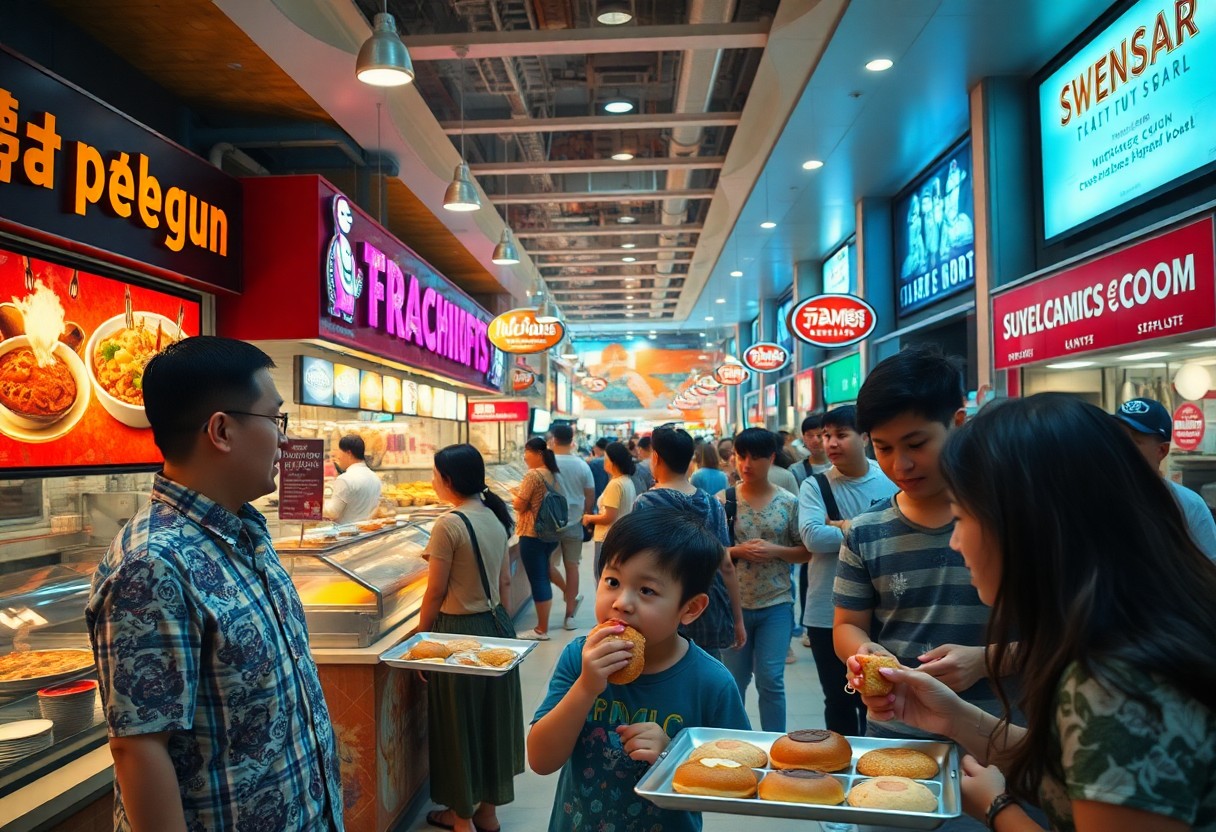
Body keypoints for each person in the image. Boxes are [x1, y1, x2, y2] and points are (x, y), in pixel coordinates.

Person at [859, 394, 1216, 831]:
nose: (955, 541)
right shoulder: (1124, 631)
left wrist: (997, 809)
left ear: (1028, 525)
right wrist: (952, 717)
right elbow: (1071, 767)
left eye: (963, 518)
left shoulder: (1118, 685)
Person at [86, 337, 343, 830]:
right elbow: (139, 749)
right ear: (221, 430)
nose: (285, 441)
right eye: (276, 420)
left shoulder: (245, 530)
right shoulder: (153, 564)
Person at [527, 510, 751, 832]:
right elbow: (541, 760)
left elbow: (736, 782)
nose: (622, 602)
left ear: (690, 608)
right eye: (613, 581)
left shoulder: (711, 682)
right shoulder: (580, 658)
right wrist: (586, 688)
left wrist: (672, 759)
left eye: (647, 590)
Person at [834, 348, 999, 742]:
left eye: (916, 443)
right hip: (896, 734)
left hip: (1003, 733)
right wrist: (864, 654)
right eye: (883, 448)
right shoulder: (865, 530)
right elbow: (847, 626)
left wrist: (985, 661)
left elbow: (1065, 636)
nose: (900, 465)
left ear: (958, 423)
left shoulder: (1006, 520)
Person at [417, 444, 524, 832]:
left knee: (458, 724)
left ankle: (460, 818)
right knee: (492, 720)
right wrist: (503, 631)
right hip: (497, 627)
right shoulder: (496, 516)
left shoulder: (449, 524)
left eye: (434, 474)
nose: (432, 481)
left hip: (458, 633)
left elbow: (435, 592)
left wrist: (420, 638)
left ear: (448, 480)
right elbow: (505, 581)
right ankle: (488, 814)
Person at [798, 405, 898, 736]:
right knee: (838, 699)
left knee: (879, 698)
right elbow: (812, 537)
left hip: (884, 606)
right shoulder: (816, 486)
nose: (830, 443)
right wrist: (869, 529)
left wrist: (844, 526)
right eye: (826, 435)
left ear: (865, 438)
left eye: (841, 434)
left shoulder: (888, 479)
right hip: (826, 611)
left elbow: (897, 534)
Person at [718, 428, 810, 732]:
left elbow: (805, 552)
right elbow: (709, 552)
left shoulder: (788, 503)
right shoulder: (724, 501)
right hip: (734, 607)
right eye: (741, 456)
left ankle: (776, 745)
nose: (746, 464)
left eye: (756, 457)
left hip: (776, 604)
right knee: (734, 681)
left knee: (771, 680)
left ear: (771, 458)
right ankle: (736, 745)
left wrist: (777, 550)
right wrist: (737, 550)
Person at [634, 426, 745, 660]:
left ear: (656, 457)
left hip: (662, 607)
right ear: (690, 459)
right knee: (707, 675)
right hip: (706, 606)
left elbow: (638, 566)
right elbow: (726, 566)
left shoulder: (646, 502)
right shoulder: (713, 504)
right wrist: (737, 619)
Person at [1112, 397, 1216, 560]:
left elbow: (1211, 570)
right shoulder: (1100, 499)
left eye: (1134, 440)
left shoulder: (1188, 506)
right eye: (1117, 437)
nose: (1120, 447)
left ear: (1161, 450)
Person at [513, 437, 562, 640]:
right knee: (544, 572)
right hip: (551, 533)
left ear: (538, 454)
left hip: (532, 533)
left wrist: (515, 496)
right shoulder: (553, 473)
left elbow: (520, 505)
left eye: (527, 452)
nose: (524, 457)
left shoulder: (533, 476)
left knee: (539, 579)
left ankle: (541, 629)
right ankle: (569, 597)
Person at [549, 424, 595, 630]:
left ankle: (567, 593)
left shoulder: (547, 464)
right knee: (572, 566)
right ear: (572, 439)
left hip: (549, 524)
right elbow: (590, 493)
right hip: (575, 522)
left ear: (553, 439)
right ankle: (569, 616)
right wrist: (586, 513)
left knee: (544, 564)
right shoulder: (582, 465)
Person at [582, 441, 637, 557]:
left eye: (606, 458)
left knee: (601, 572)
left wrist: (588, 517)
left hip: (607, 536)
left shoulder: (615, 484)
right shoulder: (626, 480)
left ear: (613, 462)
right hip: (618, 534)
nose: (604, 461)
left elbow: (609, 516)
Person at [323, 433, 383, 524]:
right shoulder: (375, 478)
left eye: (340, 452)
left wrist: (318, 503)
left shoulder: (345, 479)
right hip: (368, 533)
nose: (338, 457)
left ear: (349, 453)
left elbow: (332, 513)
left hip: (346, 534)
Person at [792, 413, 833, 487]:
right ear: (804, 438)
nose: (815, 440)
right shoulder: (795, 471)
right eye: (810, 436)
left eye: (819, 435)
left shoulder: (842, 466)